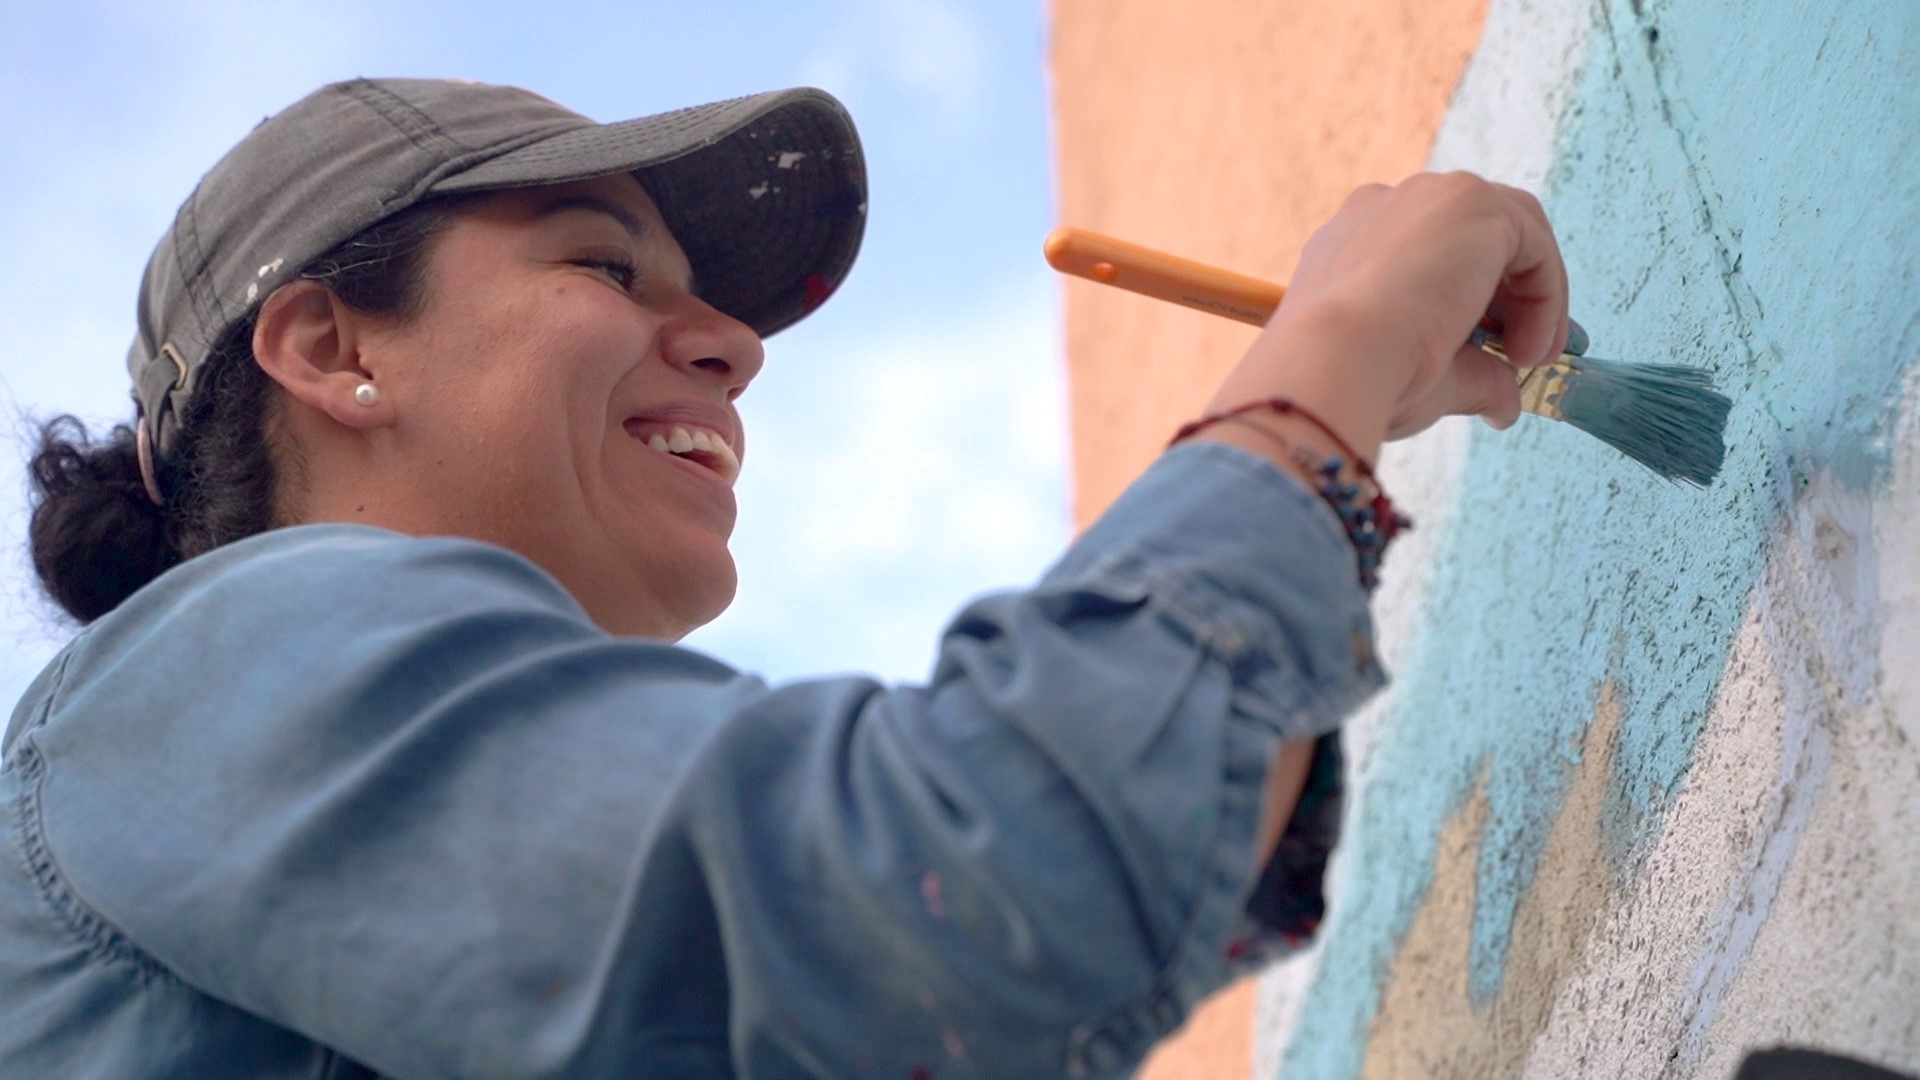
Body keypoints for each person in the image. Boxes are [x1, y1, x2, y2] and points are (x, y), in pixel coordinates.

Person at [0, 77, 1568, 1078]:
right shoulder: (210, 667)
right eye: (602, 265)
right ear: (333, 350)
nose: (736, 349)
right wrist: (1337, 346)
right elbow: (976, 896)